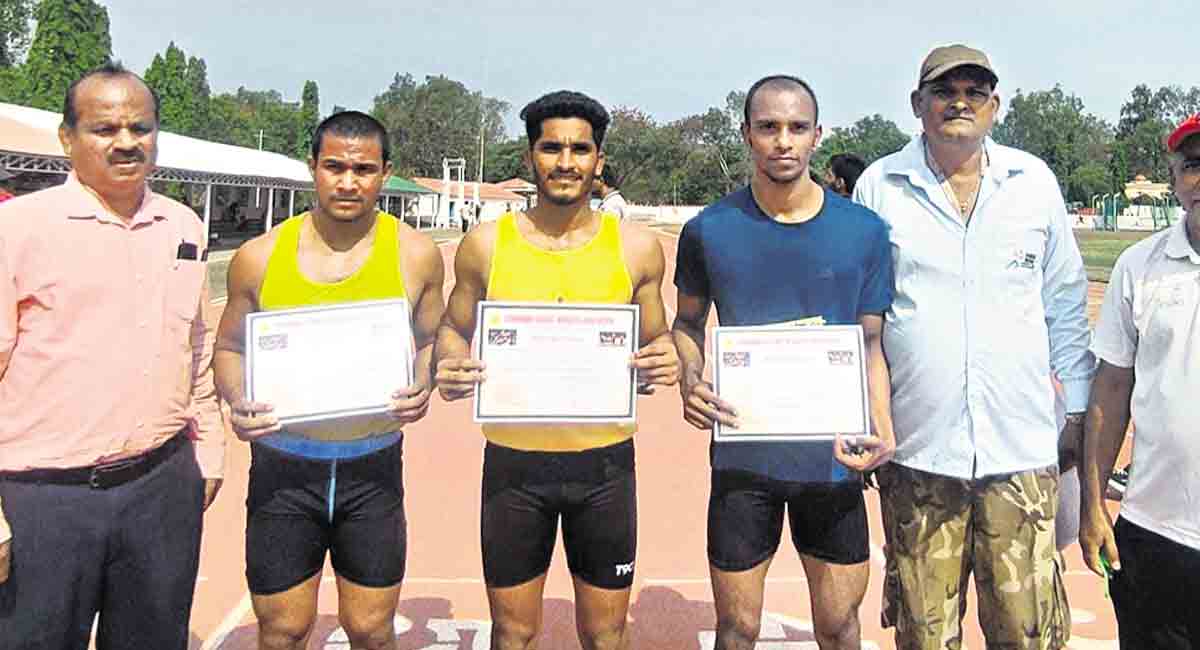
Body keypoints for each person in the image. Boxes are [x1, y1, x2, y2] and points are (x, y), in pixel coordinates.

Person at [853, 44, 1093, 649]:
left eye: (974, 91)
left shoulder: (1032, 182)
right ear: (918, 104)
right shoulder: (881, 186)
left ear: (995, 105)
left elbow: (1063, 302)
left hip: (1019, 451)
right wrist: (861, 414)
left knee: (1027, 630)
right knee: (924, 632)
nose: (959, 102)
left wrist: (1079, 412)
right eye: (943, 91)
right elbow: (864, 320)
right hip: (918, 451)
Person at [435, 90, 679, 650]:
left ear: (599, 160)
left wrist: (661, 357)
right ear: (530, 159)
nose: (565, 162)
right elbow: (452, 328)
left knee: (604, 632)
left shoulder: (636, 249)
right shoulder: (486, 245)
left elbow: (658, 337)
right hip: (515, 469)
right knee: (514, 632)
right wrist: (450, 360)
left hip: (605, 469)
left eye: (579, 149)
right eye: (551, 148)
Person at [0, 62, 224, 649]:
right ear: (67, 138)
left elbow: (194, 347)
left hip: (162, 486)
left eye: (141, 127)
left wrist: (211, 453)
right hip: (43, 499)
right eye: (105, 129)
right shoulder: (17, 229)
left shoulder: (182, 225)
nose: (127, 142)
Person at [673, 75, 896, 650]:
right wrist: (690, 379)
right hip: (744, 462)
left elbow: (871, 342)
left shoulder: (865, 233)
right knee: (737, 630)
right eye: (768, 127)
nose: (783, 141)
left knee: (840, 627)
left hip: (833, 463)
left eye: (797, 128)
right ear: (746, 133)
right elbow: (688, 325)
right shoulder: (708, 232)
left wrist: (884, 426)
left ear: (818, 136)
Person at [213, 111, 445, 650]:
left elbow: (434, 339)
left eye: (363, 169)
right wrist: (237, 399)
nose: (348, 181)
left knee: (369, 628)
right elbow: (228, 348)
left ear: (385, 172)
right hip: (285, 470)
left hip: (373, 469)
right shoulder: (261, 256)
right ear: (312, 167)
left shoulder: (415, 254)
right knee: (284, 630)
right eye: (334, 166)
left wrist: (424, 383)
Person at [1080, 112, 1200, 647]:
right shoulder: (1139, 267)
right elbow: (1111, 389)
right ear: (1174, 179)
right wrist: (1091, 505)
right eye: (1193, 166)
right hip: (1156, 530)